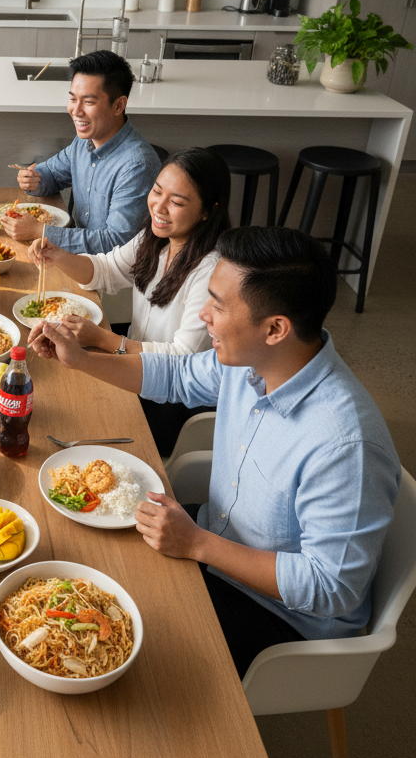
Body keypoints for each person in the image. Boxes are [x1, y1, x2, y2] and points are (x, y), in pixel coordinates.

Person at [28, 227, 400, 678]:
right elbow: (178, 375)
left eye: (218, 306)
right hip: (214, 539)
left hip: (281, 615)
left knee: (116, 653)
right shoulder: (255, 362)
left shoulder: (346, 444)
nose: (203, 314)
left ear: (276, 328)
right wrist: (81, 359)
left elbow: (330, 587)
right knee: (84, 575)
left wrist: (199, 544)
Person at [29, 147, 231, 456]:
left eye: (176, 202)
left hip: (167, 400)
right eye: (157, 192)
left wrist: (106, 340)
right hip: (133, 362)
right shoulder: (156, 238)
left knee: (64, 416)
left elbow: (181, 359)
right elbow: (106, 270)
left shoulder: (212, 271)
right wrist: (56, 255)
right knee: (49, 385)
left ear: (208, 211)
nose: (159, 207)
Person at [4, 50, 161, 252]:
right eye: (73, 99)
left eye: (88, 102)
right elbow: (51, 173)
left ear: (119, 105)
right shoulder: (83, 141)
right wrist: (34, 179)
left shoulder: (138, 165)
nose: (76, 111)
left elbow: (115, 241)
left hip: (111, 274)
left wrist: (40, 231)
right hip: (76, 255)